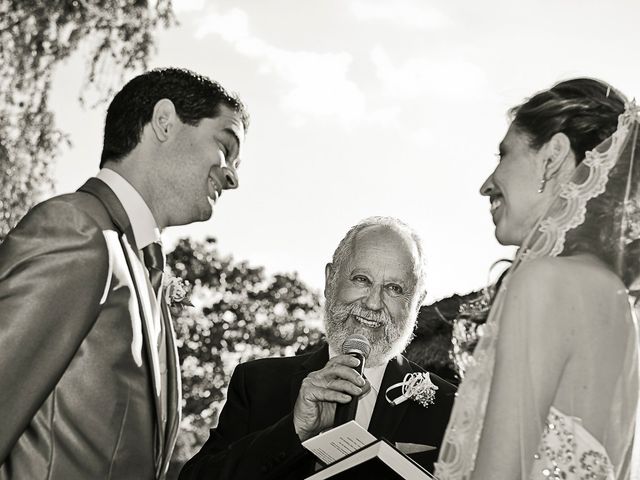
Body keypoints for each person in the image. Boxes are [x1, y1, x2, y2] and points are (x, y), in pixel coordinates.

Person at [0, 67, 249, 480]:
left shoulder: (140, 265)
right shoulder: (76, 230)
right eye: (225, 146)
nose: (233, 176)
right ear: (164, 121)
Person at [435, 78, 640, 479]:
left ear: (552, 157)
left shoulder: (544, 282)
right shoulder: (618, 304)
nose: (486, 185)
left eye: (504, 153)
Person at [179, 216, 457, 479]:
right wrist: (293, 429)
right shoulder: (257, 384)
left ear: (417, 303)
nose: (373, 303)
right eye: (361, 279)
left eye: (394, 288)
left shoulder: (450, 407)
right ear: (330, 280)